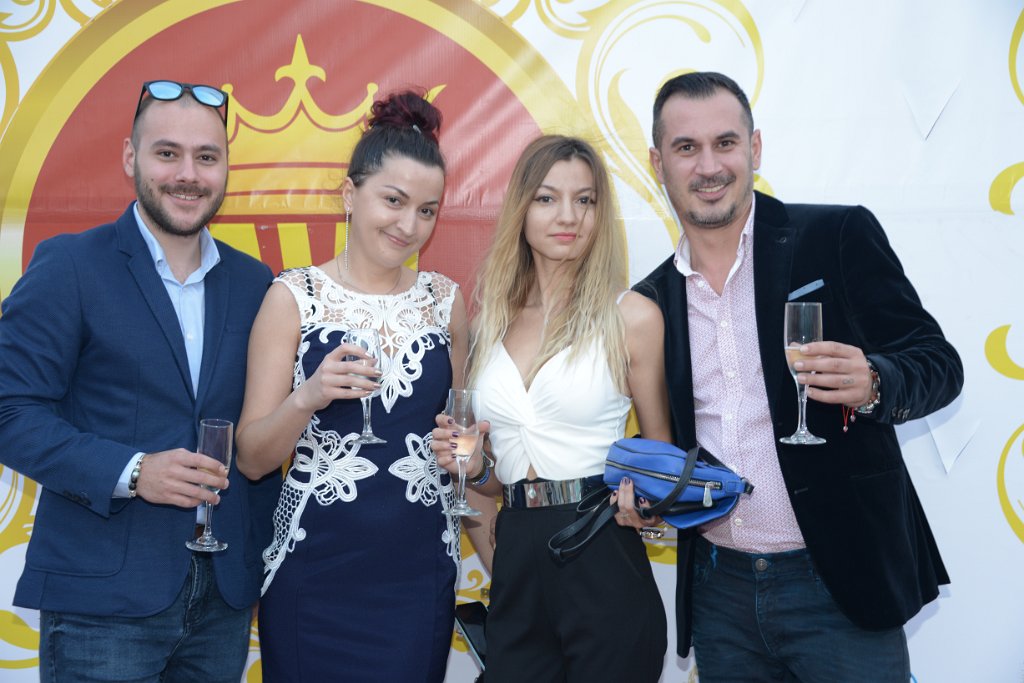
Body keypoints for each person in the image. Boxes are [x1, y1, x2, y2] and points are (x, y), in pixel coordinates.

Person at [627, 71, 963, 682]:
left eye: (725, 143)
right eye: (686, 147)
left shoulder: (835, 236)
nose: (709, 166)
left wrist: (876, 381)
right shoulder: (652, 301)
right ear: (658, 163)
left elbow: (939, 364)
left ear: (754, 148)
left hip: (840, 583)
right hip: (720, 591)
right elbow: (668, 445)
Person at [0, 80, 281, 681]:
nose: (188, 175)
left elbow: (263, 433)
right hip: (101, 603)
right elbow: (10, 411)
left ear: (226, 167)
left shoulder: (256, 283)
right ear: (131, 157)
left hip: (224, 602)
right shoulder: (70, 265)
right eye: (167, 153)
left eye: (207, 157)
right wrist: (133, 471)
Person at [235, 90, 468, 682]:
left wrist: (467, 452)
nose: (408, 225)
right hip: (312, 573)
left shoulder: (446, 301)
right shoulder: (293, 297)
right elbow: (253, 457)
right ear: (348, 194)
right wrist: (309, 396)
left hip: (418, 576)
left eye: (427, 210)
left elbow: (463, 440)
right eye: (393, 200)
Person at [432, 135, 671, 682]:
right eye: (547, 198)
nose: (568, 216)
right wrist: (476, 468)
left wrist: (650, 507)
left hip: (601, 547)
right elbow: (490, 477)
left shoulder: (630, 317)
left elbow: (660, 455)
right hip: (516, 552)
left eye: (585, 200)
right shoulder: (488, 323)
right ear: (520, 209)